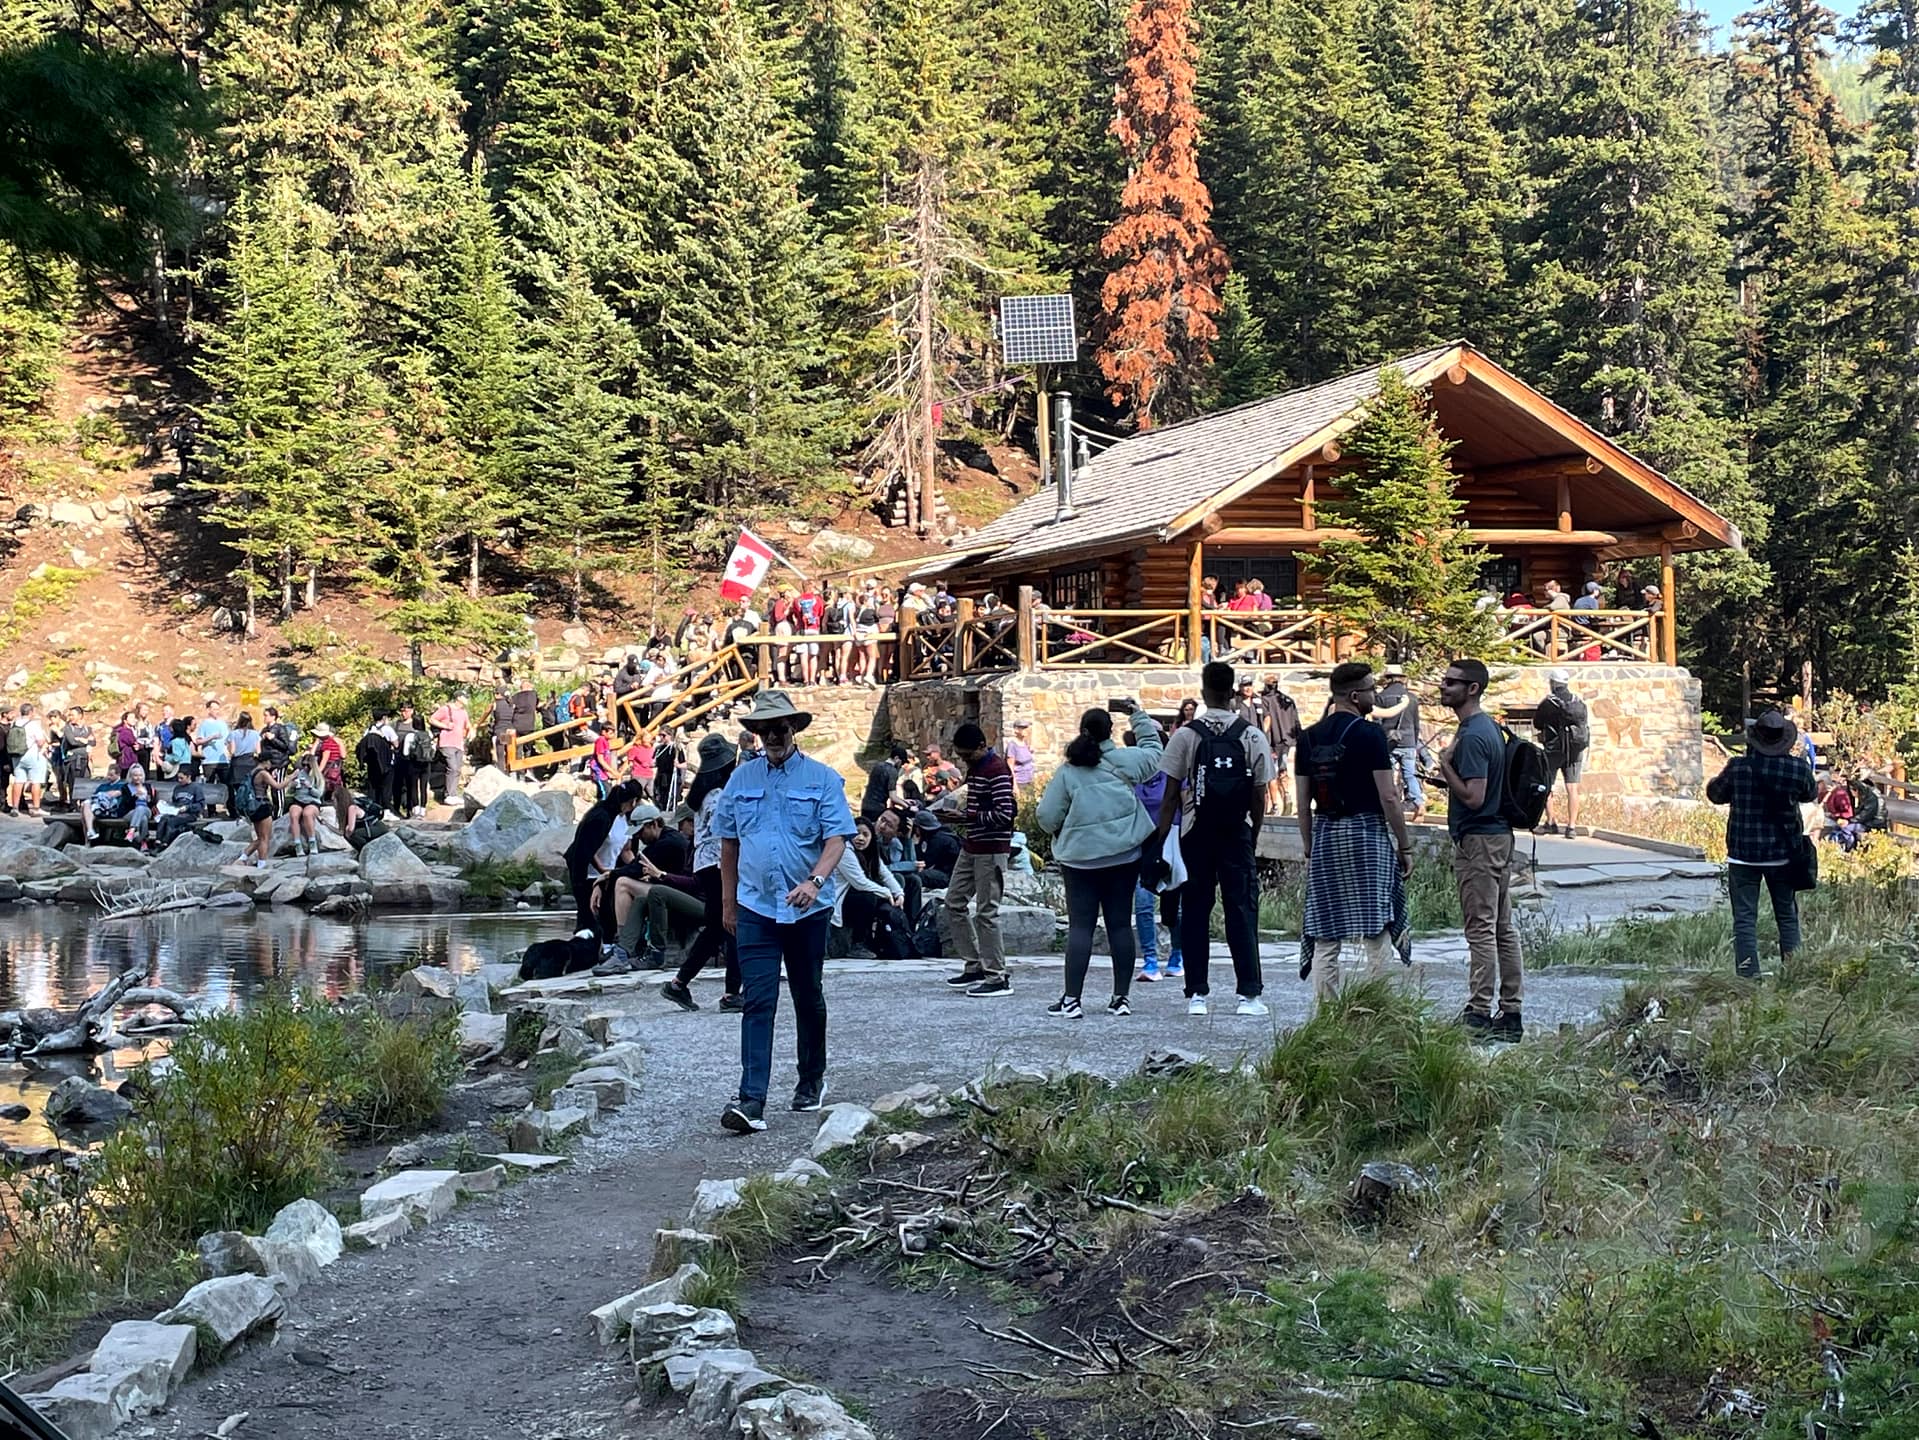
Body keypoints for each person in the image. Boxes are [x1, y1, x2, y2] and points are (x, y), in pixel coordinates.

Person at [714, 689, 857, 1134]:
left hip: (808, 908)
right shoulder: (740, 781)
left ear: (794, 728)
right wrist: (727, 903)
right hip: (755, 904)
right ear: (755, 733)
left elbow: (837, 839)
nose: (772, 735)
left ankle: (811, 1078)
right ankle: (751, 1101)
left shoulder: (822, 779)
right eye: (764, 729)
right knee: (758, 1000)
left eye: (780, 727)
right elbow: (729, 845)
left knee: (806, 994)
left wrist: (814, 882)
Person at [1154, 661, 1273, 1017]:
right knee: (1242, 910)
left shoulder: (1186, 736)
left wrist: (1162, 839)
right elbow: (1259, 792)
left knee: (1195, 911)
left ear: (1204, 692)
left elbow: (1171, 794)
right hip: (1236, 831)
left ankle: (1197, 994)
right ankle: (1249, 995)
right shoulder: (1251, 734)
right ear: (1232, 690)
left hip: (1196, 831)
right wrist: (1252, 832)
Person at [1296, 662, 1414, 1005]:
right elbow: (1389, 796)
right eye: (1370, 690)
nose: (1374, 696)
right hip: (1367, 834)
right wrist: (1403, 845)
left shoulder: (1308, 738)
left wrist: (1309, 848)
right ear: (1354, 695)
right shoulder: (1370, 734)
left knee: (1324, 934)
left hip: (1327, 835)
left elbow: (1303, 804)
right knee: (1376, 928)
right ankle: (1379, 1009)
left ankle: (1326, 1014)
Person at [1037, 701, 1162, 1018]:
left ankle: (1072, 999)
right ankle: (1120, 998)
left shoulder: (1068, 771)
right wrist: (1137, 713)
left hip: (1079, 860)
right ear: (1112, 732)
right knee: (1120, 925)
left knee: (1081, 927)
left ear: (1082, 732)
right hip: (1124, 856)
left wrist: (1059, 830)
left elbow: (1047, 816)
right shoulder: (1127, 762)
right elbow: (1154, 748)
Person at [1437, 657, 1523, 1040]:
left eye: (1452, 683)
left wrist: (1444, 768)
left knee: (1482, 928)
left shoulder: (1473, 735)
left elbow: (1474, 796)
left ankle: (1478, 1012)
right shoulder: (1489, 728)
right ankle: (1511, 1011)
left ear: (1472, 689)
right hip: (1499, 836)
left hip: (1480, 839)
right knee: (1503, 928)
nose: (1444, 687)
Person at [1707, 710, 1816, 979]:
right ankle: (1791, 973)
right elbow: (1810, 793)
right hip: (1783, 854)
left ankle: (1748, 976)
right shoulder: (1797, 769)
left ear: (1755, 739)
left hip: (1743, 854)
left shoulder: (1738, 767)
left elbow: (1715, 794)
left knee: (1745, 920)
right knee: (1787, 916)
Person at [661, 735, 746, 1013]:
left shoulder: (702, 797)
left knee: (715, 927)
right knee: (731, 922)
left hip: (704, 863)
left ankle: (679, 982)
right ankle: (732, 992)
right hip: (720, 862)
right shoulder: (720, 796)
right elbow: (728, 834)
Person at [940, 722, 1018, 997]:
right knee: (954, 902)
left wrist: (966, 818)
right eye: (961, 756)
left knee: (987, 911)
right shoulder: (976, 769)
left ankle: (997, 975)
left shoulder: (996, 770)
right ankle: (974, 965)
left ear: (982, 747)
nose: (964, 760)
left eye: (967, 755)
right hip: (972, 845)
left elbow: (1005, 814)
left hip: (991, 848)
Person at [563, 782, 646, 938]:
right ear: (633, 801)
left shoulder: (626, 819)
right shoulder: (601, 816)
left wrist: (637, 867)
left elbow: (626, 850)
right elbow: (587, 849)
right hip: (587, 871)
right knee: (589, 915)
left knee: (608, 915)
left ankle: (608, 945)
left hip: (608, 872)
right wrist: (604, 871)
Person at [831, 817, 909, 955]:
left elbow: (885, 874)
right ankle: (858, 944)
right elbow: (860, 882)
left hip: (856, 894)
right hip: (840, 900)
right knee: (868, 897)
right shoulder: (844, 850)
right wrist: (886, 893)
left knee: (907, 881)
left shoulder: (870, 852)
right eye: (856, 833)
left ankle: (903, 933)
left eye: (866, 834)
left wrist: (898, 893)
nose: (860, 838)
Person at [1533, 669, 1590, 837]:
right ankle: (1571, 827)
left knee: (1546, 785)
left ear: (1552, 683)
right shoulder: (1577, 701)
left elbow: (1537, 723)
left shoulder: (1548, 703)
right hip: (1575, 749)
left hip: (1554, 750)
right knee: (1572, 788)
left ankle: (1551, 822)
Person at [1372, 665, 1424, 821]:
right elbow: (1416, 724)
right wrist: (1414, 744)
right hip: (1408, 741)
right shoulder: (1412, 698)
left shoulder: (1381, 697)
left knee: (1386, 775)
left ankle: (1387, 807)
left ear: (1388, 678)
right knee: (1409, 775)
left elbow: (1377, 722)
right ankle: (1418, 803)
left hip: (1388, 741)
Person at [1259, 676, 1300, 817]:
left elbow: (1267, 721)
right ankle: (1287, 796)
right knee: (1283, 770)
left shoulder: (1265, 700)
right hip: (1287, 740)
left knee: (1272, 773)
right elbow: (1296, 721)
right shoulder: (1287, 700)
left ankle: (1276, 804)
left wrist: (1266, 743)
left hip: (1273, 741)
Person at [272, 758, 326, 857]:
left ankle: (312, 842)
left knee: (307, 814)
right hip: (299, 800)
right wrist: (293, 785)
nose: (305, 768)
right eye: (303, 765)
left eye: (307, 766)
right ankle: (297, 844)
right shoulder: (299, 774)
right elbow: (289, 792)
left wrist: (310, 787)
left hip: (312, 801)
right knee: (294, 814)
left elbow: (319, 794)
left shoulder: (318, 777)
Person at [5, 702, 49, 817]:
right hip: (32, 755)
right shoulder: (34, 724)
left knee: (19, 781)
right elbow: (40, 741)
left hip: (17, 755)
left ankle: (15, 808)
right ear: (31, 712)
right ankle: (36, 808)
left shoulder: (14, 723)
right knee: (36, 781)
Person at [309, 722, 350, 836]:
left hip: (329, 773)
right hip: (336, 771)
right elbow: (343, 755)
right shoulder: (335, 741)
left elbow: (325, 759)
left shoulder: (327, 744)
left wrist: (318, 772)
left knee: (323, 791)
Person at [430, 695, 470, 803]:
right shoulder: (446, 709)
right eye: (465, 696)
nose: (467, 699)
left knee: (457, 769)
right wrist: (445, 726)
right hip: (447, 742)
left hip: (459, 744)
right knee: (452, 767)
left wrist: (469, 733)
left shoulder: (464, 712)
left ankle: (453, 794)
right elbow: (432, 719)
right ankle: (449, 795)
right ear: (458, 697)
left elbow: (467, 725)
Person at [227, 710, 264, 822]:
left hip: (237, 764)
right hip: (250, 763)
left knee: (239, 791)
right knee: (250, 790)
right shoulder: (255, 734)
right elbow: (258, 750)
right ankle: (251, 811)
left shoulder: (233, 734)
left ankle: (240, 814)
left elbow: (232, 751)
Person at [912, 810, 961, 888]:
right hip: (948, 872)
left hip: (949, 877)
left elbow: (924, 862)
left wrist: (916, 844)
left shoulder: (939, 840)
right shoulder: (940, 834)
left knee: (917, 876)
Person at [356, 714, 396, 810]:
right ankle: (386, 808)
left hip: (372, 763)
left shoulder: (369, 730)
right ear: (384, 718)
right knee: (386, 787)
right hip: (387, 762)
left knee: (373, 787)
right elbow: (396, 743)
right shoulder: (388, 729)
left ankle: (373, 808)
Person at [194, 700, 230, 798]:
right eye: (214, 709)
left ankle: (231, 809)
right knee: (209, 786)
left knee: (227, 785)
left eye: (218, 709)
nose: (216, 711)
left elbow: (229, 740)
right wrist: (211, 737)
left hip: (223, 760)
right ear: (208, 710)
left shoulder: (223, 724)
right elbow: (198, 741)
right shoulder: (204, 724)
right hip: (209, 760)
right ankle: (211, 810)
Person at [1818, 774, 1860, 852]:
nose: (1817, 786)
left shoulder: (1839, 794)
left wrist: (1833, 815)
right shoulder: (1822, 794)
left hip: (1838, 820)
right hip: (1828, 818)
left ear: (1825, 784)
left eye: (1819, 784)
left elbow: (1848, 813)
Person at [1006, 719, 1036, 794]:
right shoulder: (1012, 746)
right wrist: (1014, 785)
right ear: (1016, 730)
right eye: (1023, 728)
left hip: (1029, 781)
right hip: (1020, 782)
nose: (1026, 730)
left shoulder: (1025, 743)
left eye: (1026, 728)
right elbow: (1010, 767)